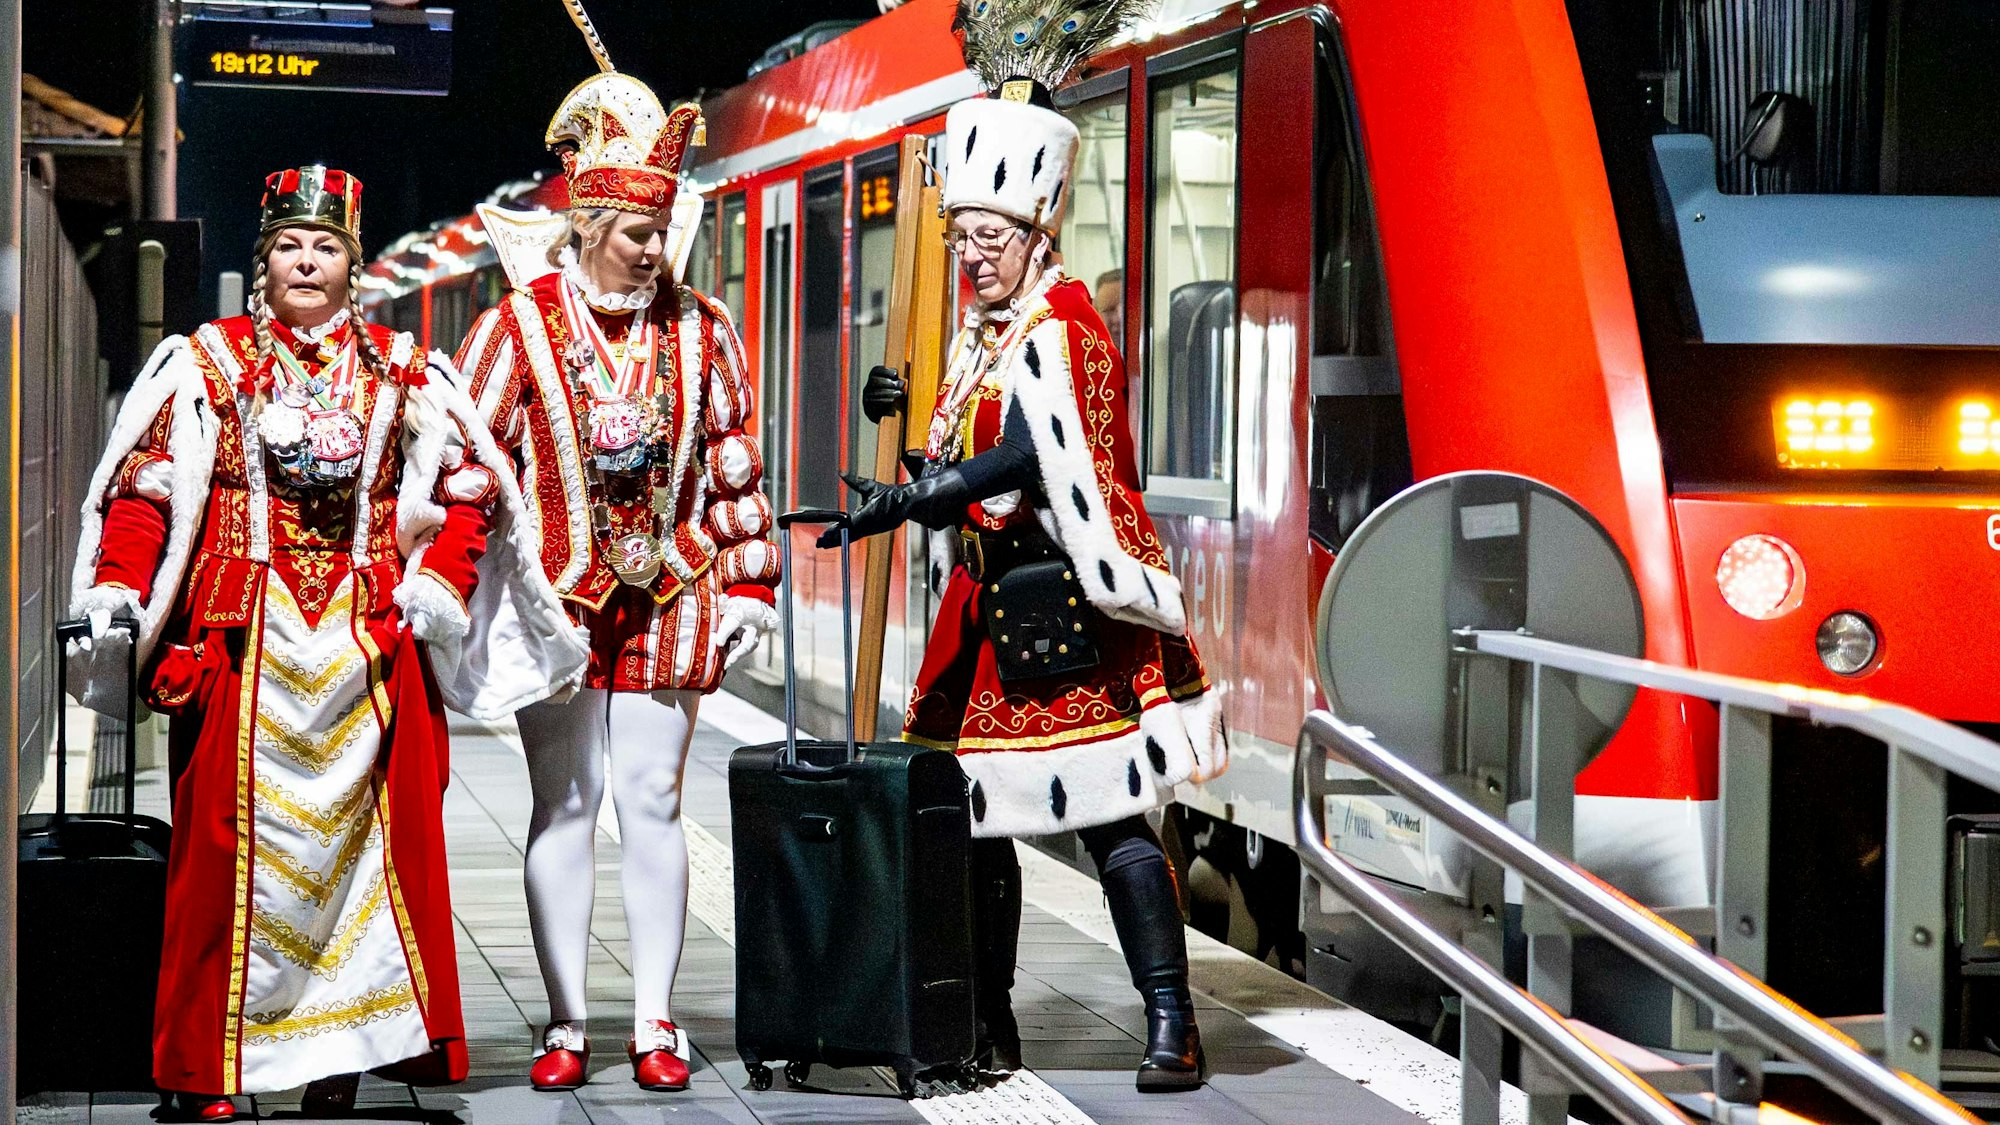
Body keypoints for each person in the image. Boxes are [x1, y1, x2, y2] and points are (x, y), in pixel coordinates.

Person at [66, 165, 587, 1120]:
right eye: (289, 246)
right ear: (262, 261)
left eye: (327, 247)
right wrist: (120, 586)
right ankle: (207, 1070)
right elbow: (146, 490)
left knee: (367, 870)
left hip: (369, 650)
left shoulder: (403, 367)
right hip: (242, 644)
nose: (307, 261)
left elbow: (471, 485)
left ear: (353, 264)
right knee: (223, 859)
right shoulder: (209, 363)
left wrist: (437, 583)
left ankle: (340, 1057)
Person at [834, 0, 1226, 1093]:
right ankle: (990, 1024)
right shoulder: (977, 337)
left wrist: (924, 494)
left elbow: (1026, 457)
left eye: (987, 239)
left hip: (1068, 609)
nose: (970, 256)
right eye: (961, 240)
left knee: (1112, 820)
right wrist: (908, 440)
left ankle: (1169, 1024)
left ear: (1037, 235)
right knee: (972, 824)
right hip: (984, 610)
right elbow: (966, 449)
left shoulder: (1064, 324)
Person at [455, 14, 779, 1093]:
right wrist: (446, 586)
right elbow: (465, 464)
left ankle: (653, 1021)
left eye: (661, 232)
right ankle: (561, 1021)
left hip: (675, 589)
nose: (655, 248)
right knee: (563, 803)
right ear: (590, 219)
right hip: (555, 602)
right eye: (636, 232)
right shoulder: (514, 328)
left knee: (649, 800)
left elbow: (735, 465)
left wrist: (751, 583)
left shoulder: (706, 327)